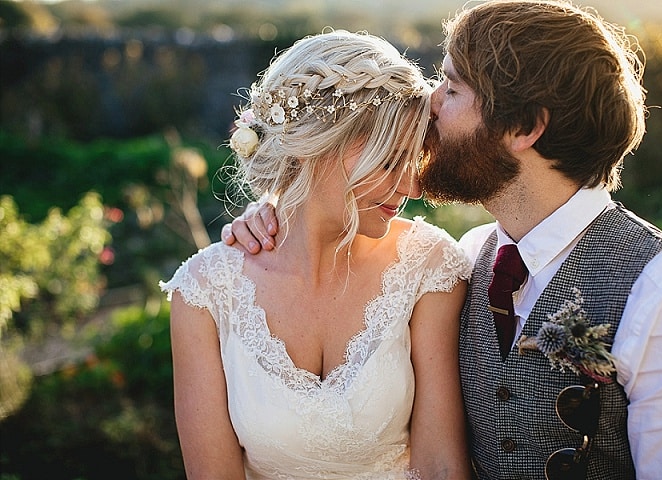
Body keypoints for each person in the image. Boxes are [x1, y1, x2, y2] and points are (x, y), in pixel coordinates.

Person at [222, 1, 662, 479]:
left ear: (524, 127)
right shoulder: (461, 259)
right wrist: (282, 209)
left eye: (452, 88)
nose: (430, 103)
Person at [160, 30, 473, 479]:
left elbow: (441, 467)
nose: (411, 187)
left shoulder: (429, 268)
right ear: (315, 148)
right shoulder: (204, 293)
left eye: (413, 162)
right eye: (389, 163)